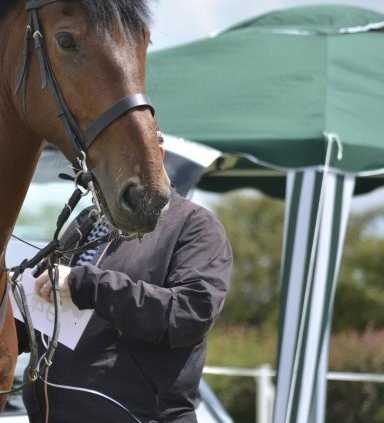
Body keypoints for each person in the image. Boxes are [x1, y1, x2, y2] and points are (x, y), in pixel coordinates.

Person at [22, 138, 233, 423]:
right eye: (95, 160)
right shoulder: (88, 221)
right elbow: (49, 317)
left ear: (156, 153)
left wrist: (87, 285)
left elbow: (189, 313)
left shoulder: (195, 225)